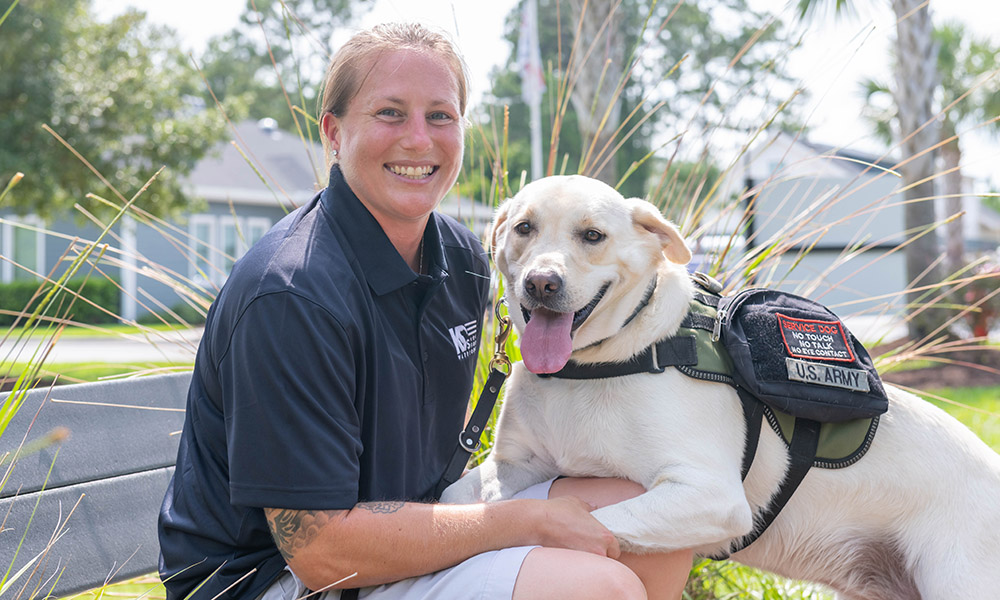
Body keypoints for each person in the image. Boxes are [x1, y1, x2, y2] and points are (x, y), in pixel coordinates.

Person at [157, 22, 693, 600]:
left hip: (409, 527)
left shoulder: (461, 256)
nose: (419, 140)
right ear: (333, 133)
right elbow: (319, 551)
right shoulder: (292, 295)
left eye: (440, 116)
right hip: (275, 579)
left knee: (653, 518)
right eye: (390, 113)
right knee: (595, 586)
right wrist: (527, 523)